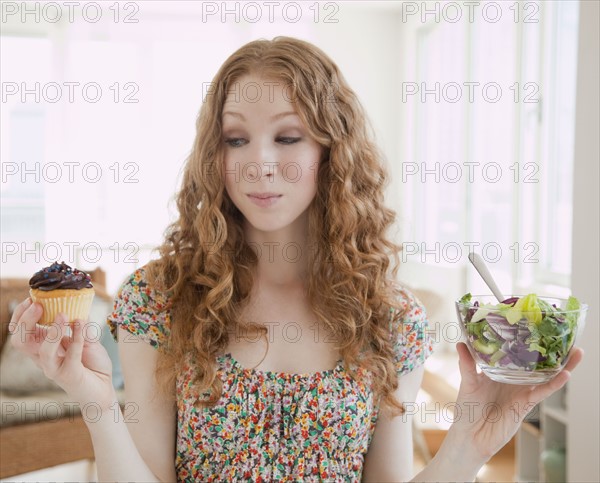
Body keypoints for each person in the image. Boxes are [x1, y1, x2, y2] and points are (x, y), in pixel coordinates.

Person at [9, 36, 583, 483]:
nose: (259, 162)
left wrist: (468, 445)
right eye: (236, 139)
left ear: (332, 150)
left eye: (288, 138)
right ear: (215, 154)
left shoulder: (389, 316)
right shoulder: (158, 299)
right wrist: (97, 404)